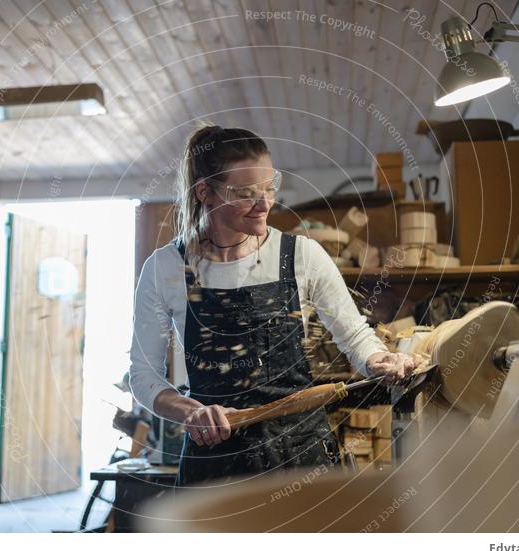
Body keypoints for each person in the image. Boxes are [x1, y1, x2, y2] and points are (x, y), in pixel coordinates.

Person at [129, 125, 417, 486]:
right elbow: (143, 376)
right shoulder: (165, 268)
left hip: (301, 457)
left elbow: (356, 336)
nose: (266, 204)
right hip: (215, 465)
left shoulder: (301, 255)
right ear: (207, 193)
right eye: (247, 193)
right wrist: (194, 412)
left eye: (269, 188)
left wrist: (378, 360)